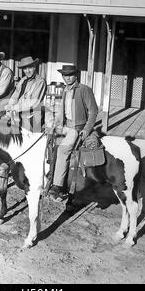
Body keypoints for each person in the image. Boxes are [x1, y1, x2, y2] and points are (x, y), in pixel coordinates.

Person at [49, 64, 98, 200]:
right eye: (65, 75)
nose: (68, 78)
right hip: (66, 125)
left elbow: (93, 111)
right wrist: (54, 125)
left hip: (77, 128)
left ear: (76, 75)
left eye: (70, 75)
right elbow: (62, 112)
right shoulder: (65, 90)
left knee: (63, 150)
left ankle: (57, 186)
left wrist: (86, 130)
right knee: (46, 143)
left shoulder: (84, 90)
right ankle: (49, 176)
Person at [4, 56, 47, 131]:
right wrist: (9, 106)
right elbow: (15, 95)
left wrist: (14, 108)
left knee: (28, 139)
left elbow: (33, 102)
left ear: (34, 67)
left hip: (32, 117)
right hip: (19, 114)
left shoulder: (40, 82)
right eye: (25, 68)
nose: (27, 71)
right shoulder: (23, 80)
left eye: (30, 68)